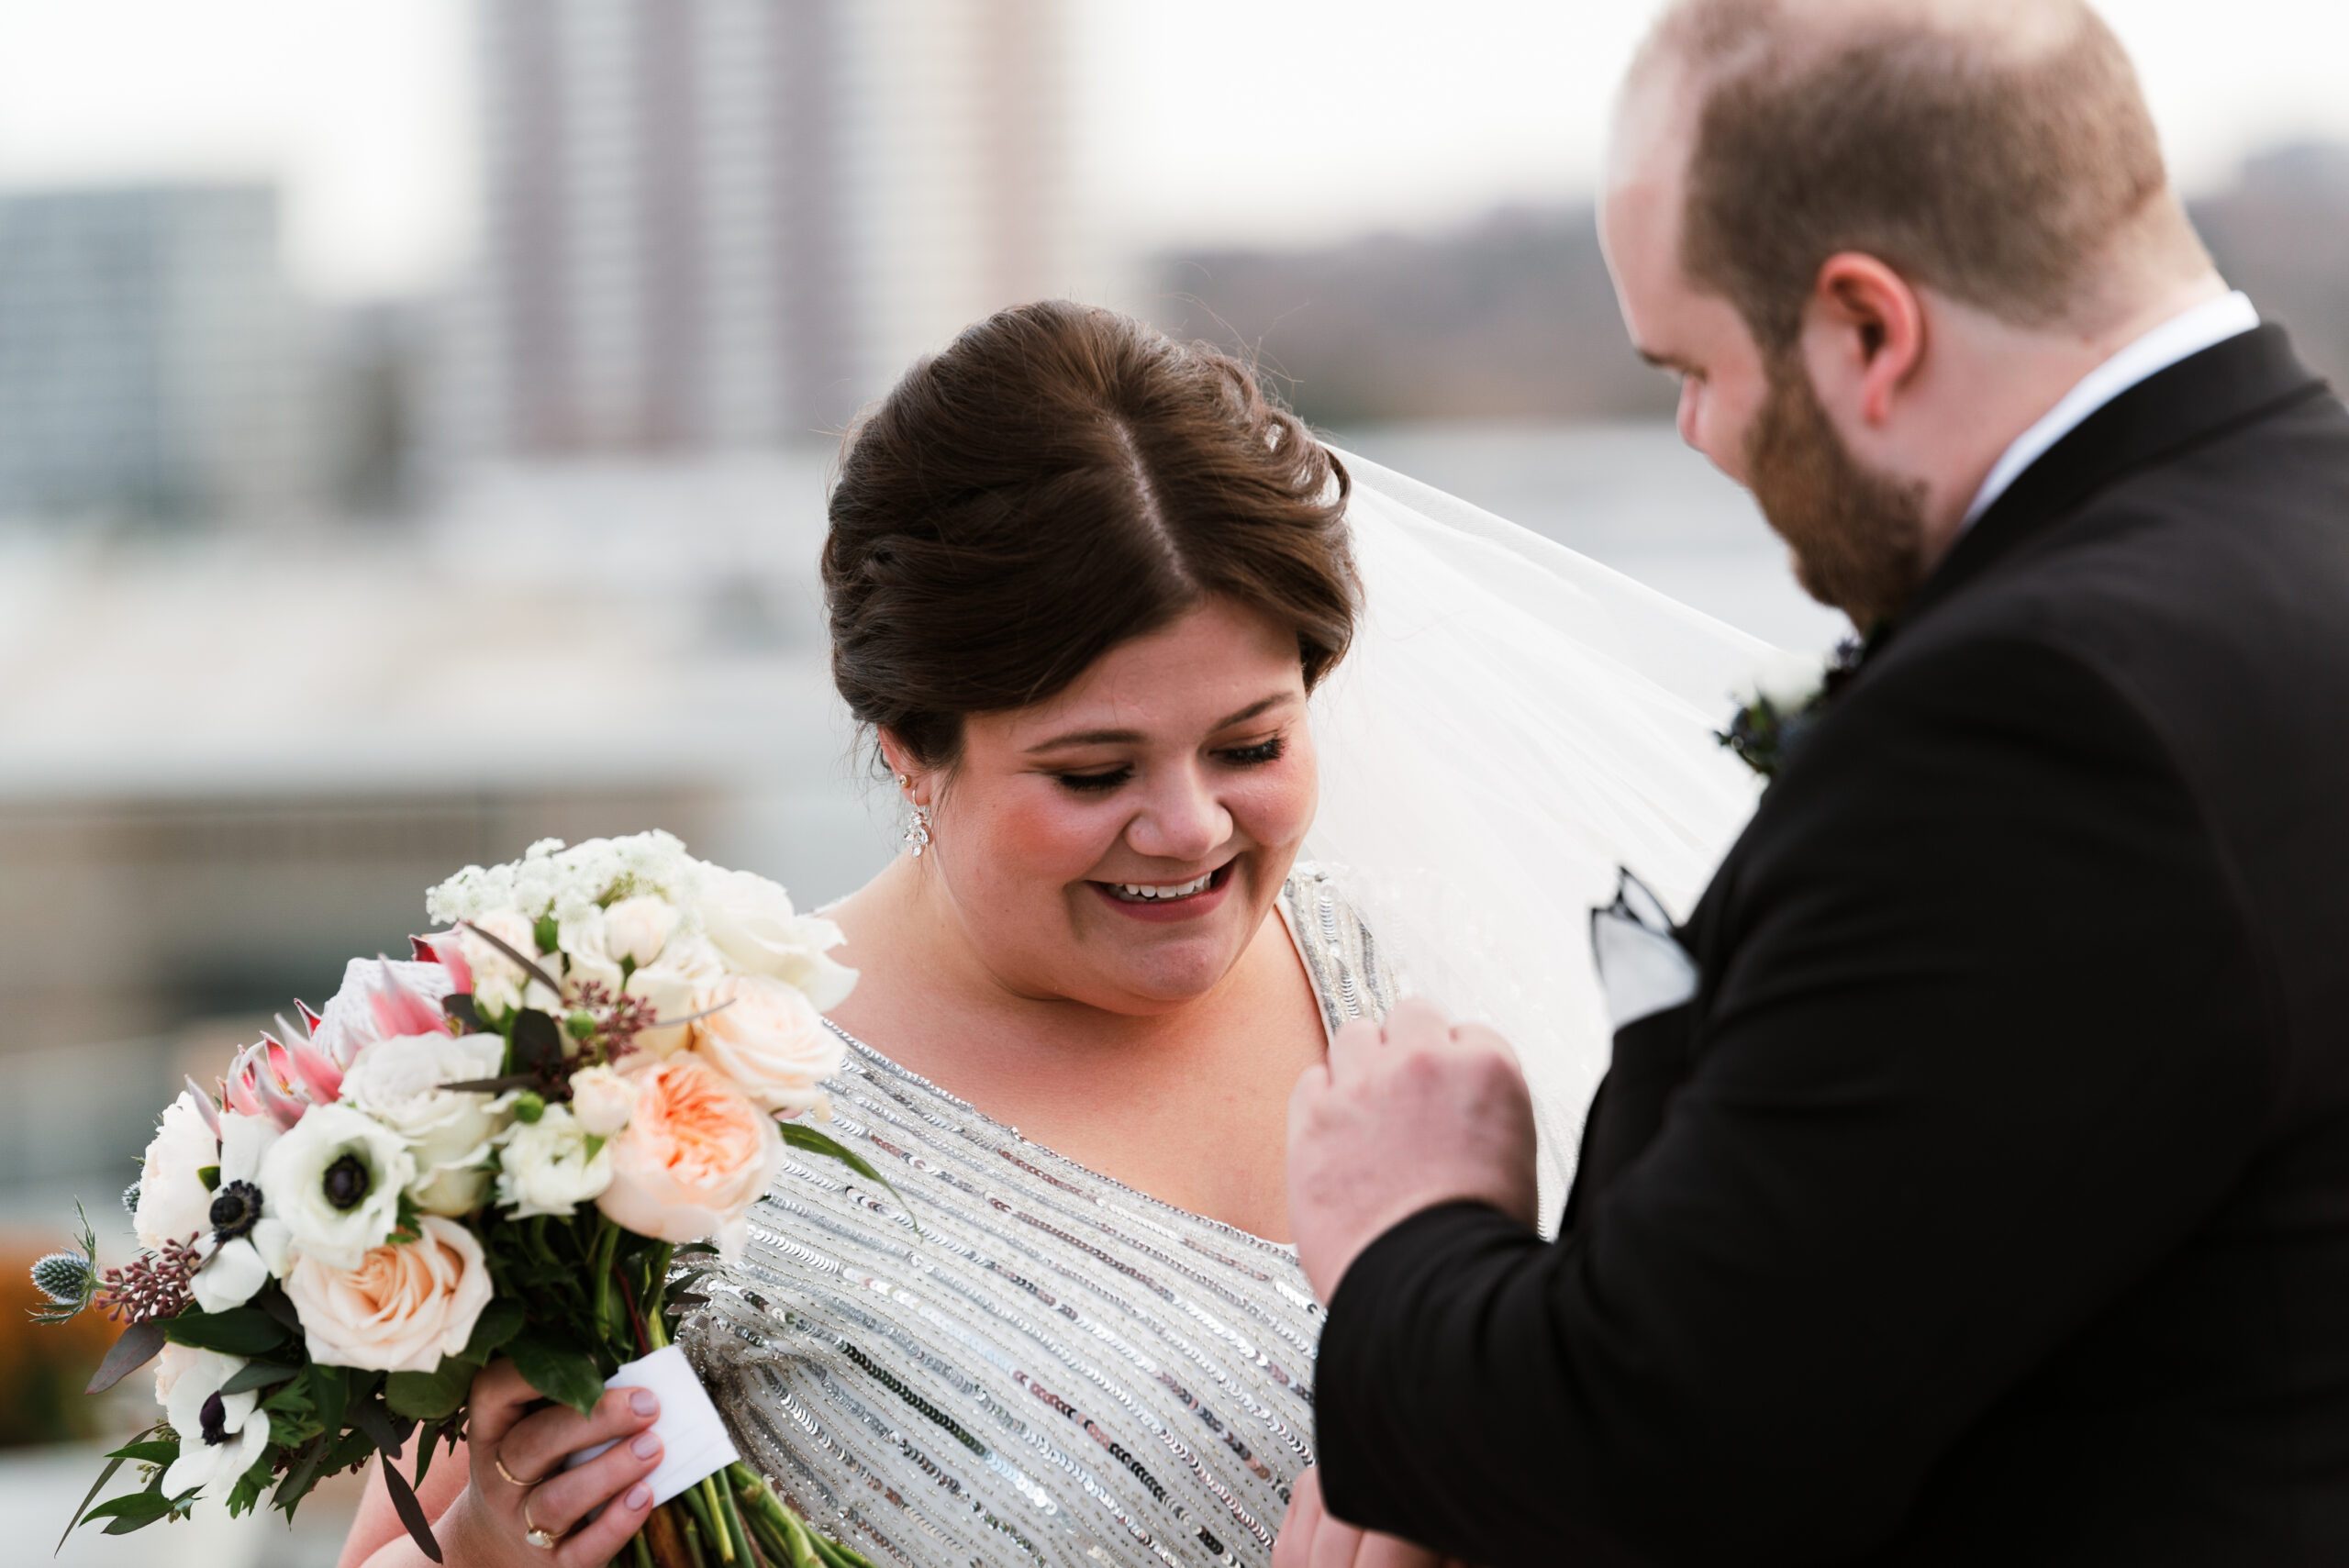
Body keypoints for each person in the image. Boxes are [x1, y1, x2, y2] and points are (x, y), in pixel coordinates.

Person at [341, 302, 1775, 1567]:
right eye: (1094, 773)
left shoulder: (1429, 977)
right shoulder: (669, 1104)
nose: (1192, 826)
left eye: (1252, 743)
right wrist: (491, 1547)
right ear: (910, 745)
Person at [1285, 1, 2349, 1564]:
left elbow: (1664, 1442)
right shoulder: (2303, 533)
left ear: (1866, 327)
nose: (1700, 432)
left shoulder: (2034, 718)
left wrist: (1409, 1234)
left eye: (1697, 366)